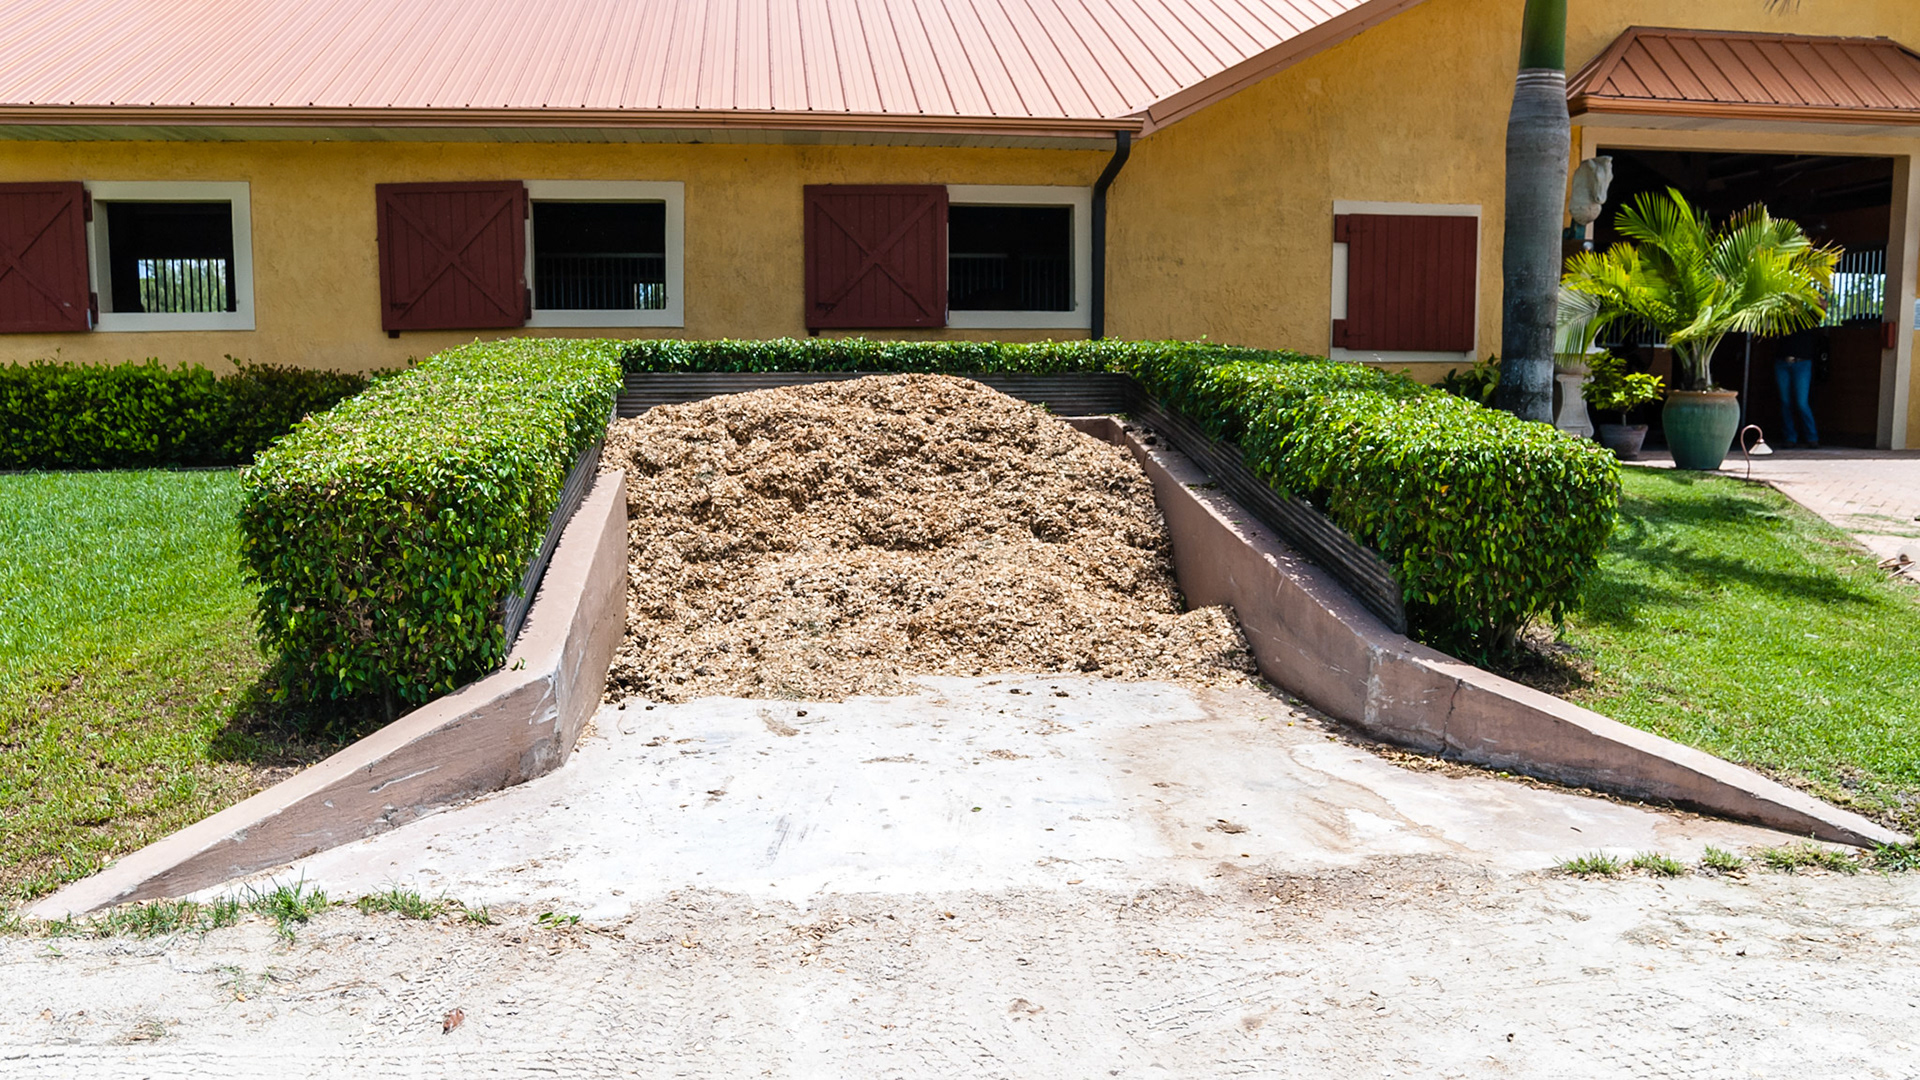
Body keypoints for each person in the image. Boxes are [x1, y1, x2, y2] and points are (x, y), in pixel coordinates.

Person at [1772, 328, 1823, 449]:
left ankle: (1811, 437)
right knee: (1785, 402)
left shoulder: (1807, 317)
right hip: (1783, 362)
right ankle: (1790, 437)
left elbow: (1822, 311)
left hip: (1802, 362)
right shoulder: (1781, 314)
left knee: (1801, 402)